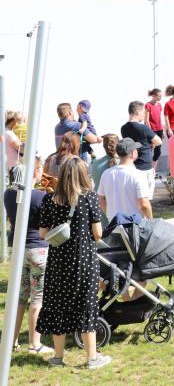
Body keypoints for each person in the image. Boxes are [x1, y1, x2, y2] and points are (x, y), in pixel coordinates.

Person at [37, 156, 111, 369]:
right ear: (82, 174)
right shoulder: (89, 198)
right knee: (85, 305)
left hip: (58, 261)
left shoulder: (49, 199)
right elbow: (97, 233)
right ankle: (92, 358)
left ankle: (58, 357)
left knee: (58, 305)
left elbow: (43, 233)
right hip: (83, 260)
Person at [3, 158, 53, 355]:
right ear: (35, 172)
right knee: (37, 298)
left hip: (18, 250)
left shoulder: (9, 194)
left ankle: (12, 341)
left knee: (19, 298)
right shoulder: (40, 196)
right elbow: (47, 225)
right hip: (38, 249)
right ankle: (35, 343)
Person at [97, 137, 153, 221]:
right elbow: (144, 204)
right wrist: (151, 220)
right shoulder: (138, 175)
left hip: (114, 225)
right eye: (136, 150)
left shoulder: (106, 173)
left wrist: (109, 215)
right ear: (133, 153)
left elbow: (100, 199)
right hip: (134, 226)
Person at [121, 101, 162, 200]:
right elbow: (159, 141)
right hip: (145, 165)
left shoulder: (123, 128)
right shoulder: (143, 128)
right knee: (145, 198)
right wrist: (152, 143)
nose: (144, 115)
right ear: (137, 112)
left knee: (134, 197)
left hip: (132, 164)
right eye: (143, 112)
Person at [145, 89, 164, 169]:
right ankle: (148, 169)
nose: (160, 97)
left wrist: (162, 130)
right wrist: (150, 131)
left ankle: (153, 170)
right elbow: (146, 120)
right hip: (152, 130)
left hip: (159, 129)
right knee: (150, 149)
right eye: (159, 96)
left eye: (161, 96)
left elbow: (159, 118)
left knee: (158, 151)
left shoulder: (159, 105)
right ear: (153, 96)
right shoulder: (148, 105)